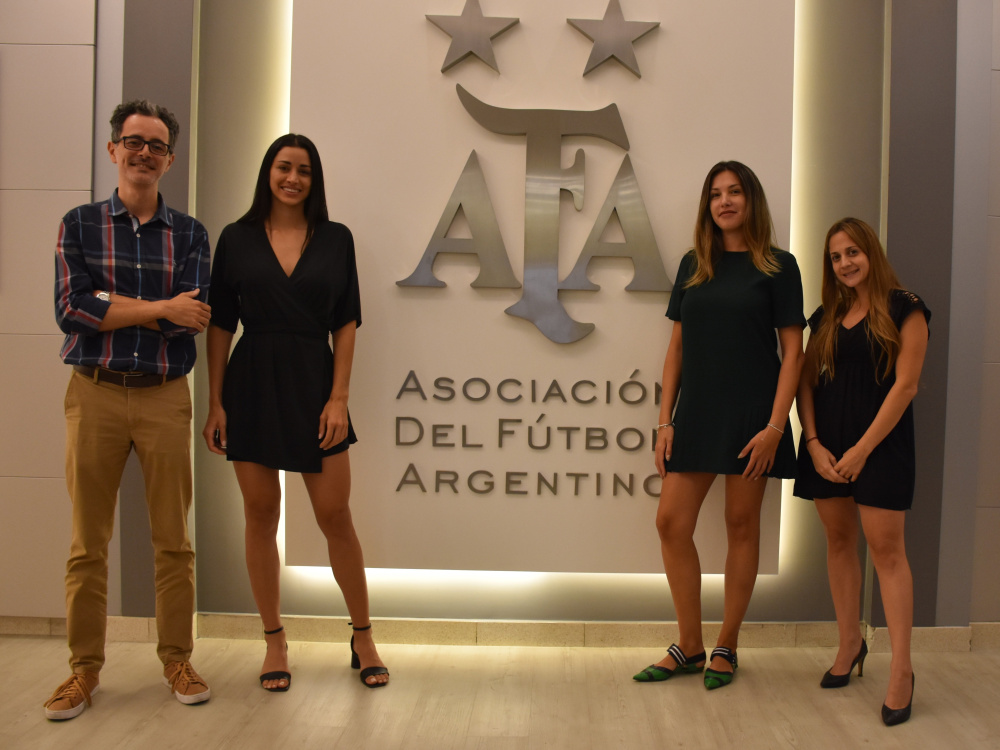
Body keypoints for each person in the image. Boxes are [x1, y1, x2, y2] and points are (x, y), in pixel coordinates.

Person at [202, 134, 388, 691]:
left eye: (304, 170)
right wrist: (215, 402)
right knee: (261, 512)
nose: (293, 178)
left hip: (314, 382)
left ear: (314, 180)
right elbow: (220, 325)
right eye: (284, 167)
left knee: (335, 515)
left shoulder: (336, 238)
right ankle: (274, 641)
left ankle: (362, 636)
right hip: (252, 382)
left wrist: (339, 398)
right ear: (268, 172)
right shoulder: (236, 238)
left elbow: (346, 321)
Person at [47, 100, 213, 720]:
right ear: (114, 148)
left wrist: (115, 305)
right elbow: (73, 311)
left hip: (164, 395)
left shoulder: (190, 234)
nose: (144, 152)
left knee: (174, 541)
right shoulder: (79, 224)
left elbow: (191, 320)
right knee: (87, 544)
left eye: (157, 145)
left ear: (169, 159)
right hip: (93, 392)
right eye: (134, 141)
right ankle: (83, 671)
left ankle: (177, 659)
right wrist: (160, 306)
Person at [634, 161, 804, 689]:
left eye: (734, 192)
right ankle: (689, 645)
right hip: (697, 413)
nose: (724, 202)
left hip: (755, 416)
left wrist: (776, 427)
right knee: (670, 522)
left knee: (741, 525)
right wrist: (664, 422)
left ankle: (726, 644)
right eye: (715, 194)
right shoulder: (694, 264)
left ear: (752, 200)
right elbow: (676, 350)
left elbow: (794, 353)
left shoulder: (779, 266)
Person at [794, 217, 928, 726]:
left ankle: (902, 670)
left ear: (871, 251)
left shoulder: (905, 307)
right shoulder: (826, 317)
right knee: (838, 542)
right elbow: (805, 383)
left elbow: (907, 386)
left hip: (881, 447)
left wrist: (862, 450)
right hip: (827, 448)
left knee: (888, 553)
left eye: (852, 252)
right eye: (835, 257)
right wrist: (813, 443)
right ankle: (850, 643)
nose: (845, 263)